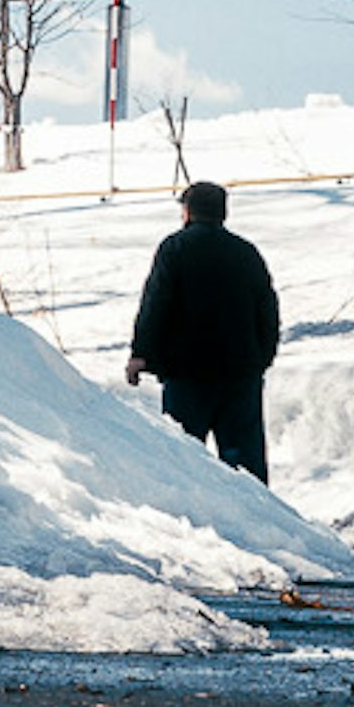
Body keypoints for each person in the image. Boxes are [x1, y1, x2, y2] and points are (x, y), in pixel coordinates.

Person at [125, 177, 280, 482]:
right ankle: (259, 522)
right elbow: (268, 309)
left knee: (184, 460)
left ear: (188, 212)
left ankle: (192, 521)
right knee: (244, 464)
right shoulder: (246, 253)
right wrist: (260, 358)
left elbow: (157, 303)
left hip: (187, 376)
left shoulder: (175, 249)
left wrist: (141, 354)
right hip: (239, 374)